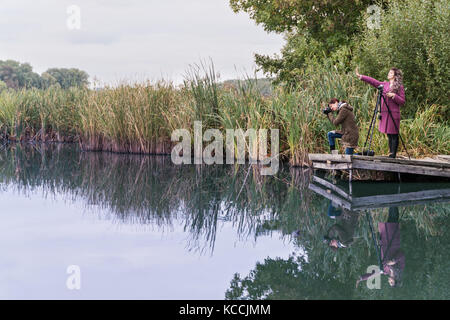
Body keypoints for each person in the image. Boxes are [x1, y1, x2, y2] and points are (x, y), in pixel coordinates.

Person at [356, 67, 406, 158]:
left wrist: (394, 95)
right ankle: (390, 152)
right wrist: (362, 77)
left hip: (393, 113)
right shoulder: (384, 85)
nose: (388, 74)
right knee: (389, 134)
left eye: (390, 73)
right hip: (385, 113)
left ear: (395, 76)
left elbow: (402, 101)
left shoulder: (399, 87)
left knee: (394, 134)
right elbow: (374, 81)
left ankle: (393, 154)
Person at [356, 207, 404, 288]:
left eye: (390, 283)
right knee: (393, 217)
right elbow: (401, 255)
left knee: (390, 218)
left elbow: (373, 274)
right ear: (396, 280)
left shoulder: (385, 271)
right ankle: (394, 199)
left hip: (384, 240)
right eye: (391, 282)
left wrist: (361, 278)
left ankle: (391, 200)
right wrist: (393, 261)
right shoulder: (400, 267)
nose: (389, 281)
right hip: (393, 239)